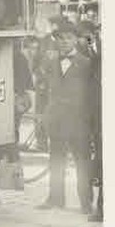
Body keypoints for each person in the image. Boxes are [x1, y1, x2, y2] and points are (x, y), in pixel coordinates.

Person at [37, 21, 94, 213]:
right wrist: (44, 116)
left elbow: (92, 95)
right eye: (60, 38)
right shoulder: (51, 63)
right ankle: (55, 199)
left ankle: (86, 203)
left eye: (68, 38)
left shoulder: (86, 64)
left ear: (76, 40)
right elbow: (45, 92)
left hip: (79, 123)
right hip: (57, 121)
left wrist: (91, 122)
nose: (64, 42)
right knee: (56, 161)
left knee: (82, 163)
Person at [77, 20, 103, 222]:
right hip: (93, 116)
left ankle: (100, 208)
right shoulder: (89, 55)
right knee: (97, 161)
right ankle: (96, 206)